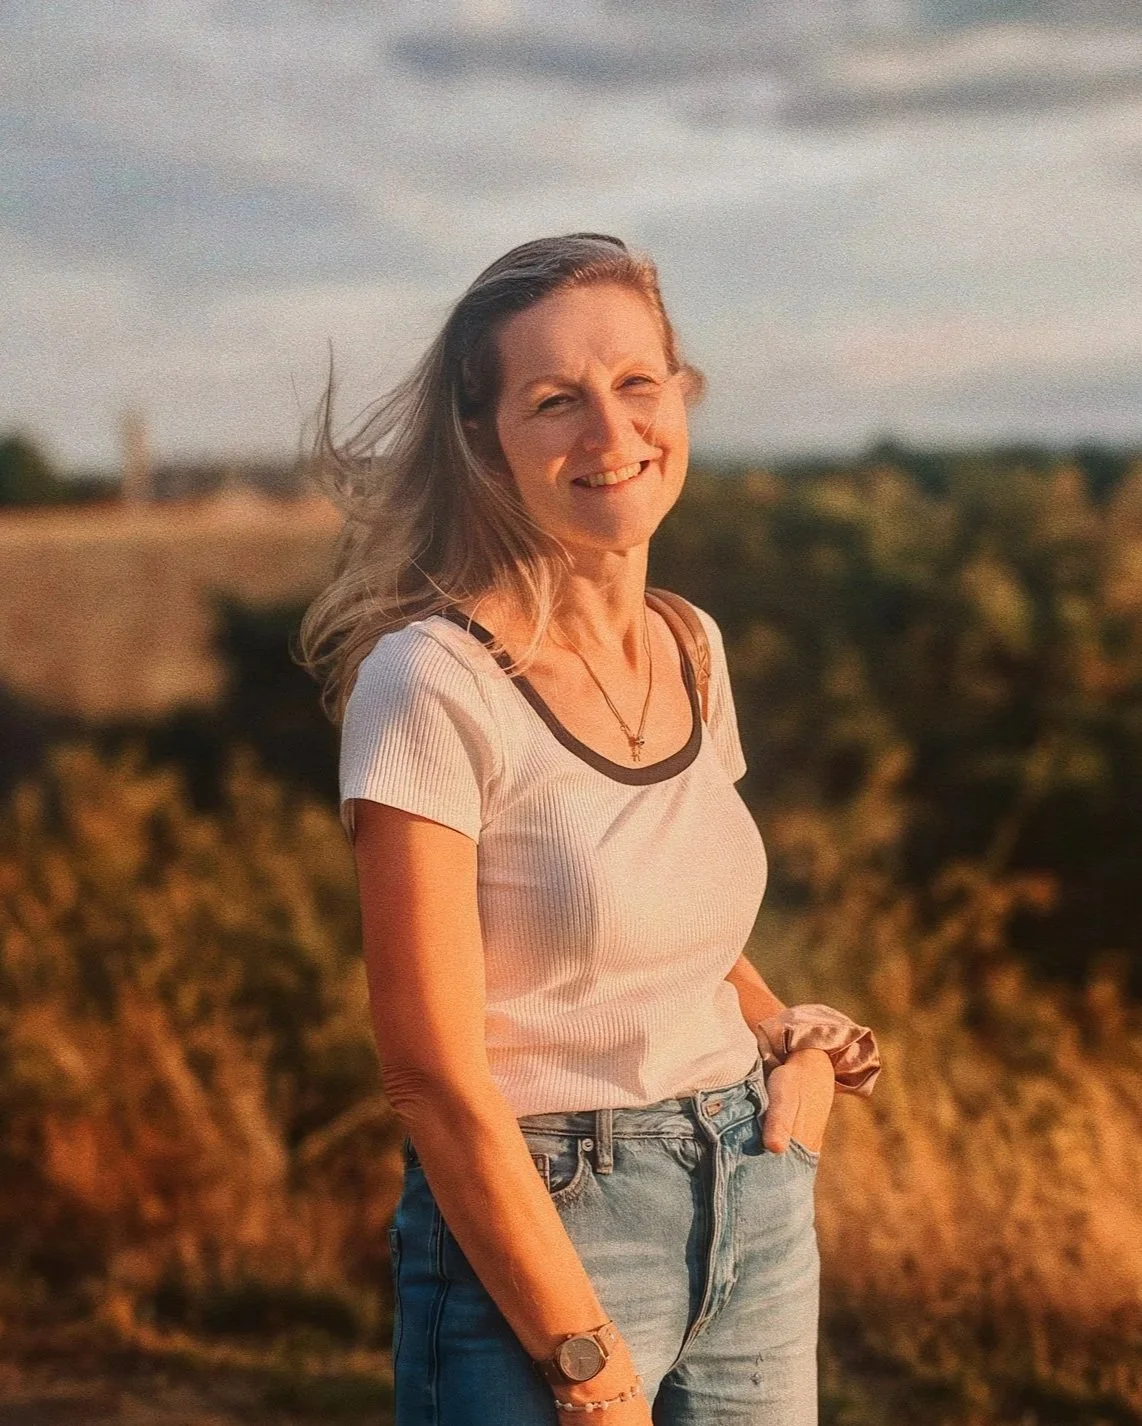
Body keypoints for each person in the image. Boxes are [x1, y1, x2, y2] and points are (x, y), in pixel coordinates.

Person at [299, 233, 880, 1424]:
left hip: (754, 1203)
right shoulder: (427, 683)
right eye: (554, 400)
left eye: (635, 385)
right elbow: (429, 1073)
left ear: (682, 397)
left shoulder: (691, 644)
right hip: (545, 1217)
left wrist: (791, 1047)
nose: (610, 437)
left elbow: (680, 923)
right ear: (482, 439)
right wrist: (577, 1349)